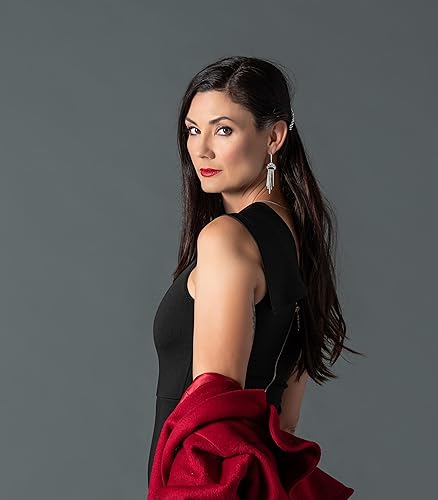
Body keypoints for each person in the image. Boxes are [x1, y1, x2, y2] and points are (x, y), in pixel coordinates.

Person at [146, 55, 362, 498]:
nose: (201, 149)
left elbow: (212, 420)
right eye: (193, 130)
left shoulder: (226, 238)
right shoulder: (299, 244)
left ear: (274, 137)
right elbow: (285, 421)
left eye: (224, 130)